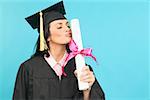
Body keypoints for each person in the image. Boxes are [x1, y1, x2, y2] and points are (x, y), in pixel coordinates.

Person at [13, 1, 105, 100]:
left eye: (68, 25)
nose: (67, 29)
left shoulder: (81, 67)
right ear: (47, 36)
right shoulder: (28, 68)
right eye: (59, 27)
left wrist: (87, 90)